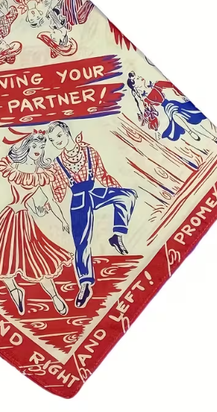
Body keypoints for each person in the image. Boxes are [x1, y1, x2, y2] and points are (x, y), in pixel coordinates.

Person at [0, 130, 72, 316]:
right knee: (0, 255)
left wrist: (60, 219)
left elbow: (48, 200)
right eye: (34, 145)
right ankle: (14, 290)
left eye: (41, 146)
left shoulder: (41, 174)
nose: (38, 149)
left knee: (37, 258)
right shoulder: (13, 167)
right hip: (8, 216)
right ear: (27, 147)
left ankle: (55, 296)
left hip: (24, 219)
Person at [47, 121, 138, 309]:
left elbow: (102, 176)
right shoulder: (57, 163)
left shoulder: (89, 152)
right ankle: (85, 284)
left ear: (67, 132)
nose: (57, 141)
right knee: (82, 244)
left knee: (127, 195)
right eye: (52, 139)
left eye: (59, 135)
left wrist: (117, 190)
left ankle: (117, 235)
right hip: (78, 201)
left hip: (95, 193)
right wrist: (49, 187)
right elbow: (59, 193)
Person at [134, 76, 217, 143]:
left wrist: (180, 94)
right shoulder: (146, 100)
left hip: (173, 103)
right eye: (137, 79)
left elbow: (171, 85)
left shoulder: (156, 85)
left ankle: (213, 136)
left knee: (195, 117)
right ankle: (192, 132)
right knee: (175, 114)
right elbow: (150, 114)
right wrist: (155, 129)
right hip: (168, 108)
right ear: (136, 86)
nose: (140, 78)